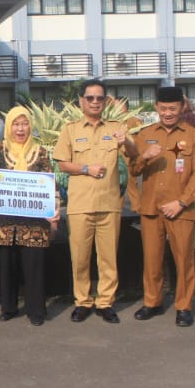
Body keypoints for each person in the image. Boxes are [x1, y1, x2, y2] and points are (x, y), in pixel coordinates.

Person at [52, 80, 139, 323]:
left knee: (108, 258)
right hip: (80, 205)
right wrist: (86, 168)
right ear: (81, 101)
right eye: (90, 98)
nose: (95, 102)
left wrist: (127, 142)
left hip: (109, 204)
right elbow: (62, 163)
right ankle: (82, 301)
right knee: (80, 257)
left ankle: (105, 302)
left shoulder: (116, 128)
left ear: (105, 101)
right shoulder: (70, 130)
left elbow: (133, 155)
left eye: (99, 98)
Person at [128, 86, 195, 327]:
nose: (168, 113)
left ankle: (184, 306)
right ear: (156, 108)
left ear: (182, 107)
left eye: (173, 108)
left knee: (184, 260)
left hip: (181, 210)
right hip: (151, 208)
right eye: (163, 108)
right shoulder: (145, 134)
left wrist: (181, 202)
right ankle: (152, 301)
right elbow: (133, 170)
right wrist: (144, 156)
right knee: (151, 259)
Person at [0, 107, 59, 325]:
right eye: (16, 124)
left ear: (30, 126)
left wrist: (54, 216)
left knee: (34, 266)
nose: (20, 129)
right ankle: (9, 307)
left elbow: (50, 183)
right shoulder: (1, 147)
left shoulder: (40, 151)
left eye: (24, 124)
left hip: (34, 221)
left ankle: (36, 310)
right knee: (7, 266)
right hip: (5, 221)